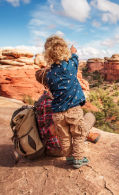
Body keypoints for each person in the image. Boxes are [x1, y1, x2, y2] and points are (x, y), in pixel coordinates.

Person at [45, 35, 95, 168]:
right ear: (64, 52)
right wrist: (73, 51)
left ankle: (69, 158)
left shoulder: (49, 74)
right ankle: (78, 159)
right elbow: (75, 59)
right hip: (73, 109)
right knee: (78, 134)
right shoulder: (70, 67)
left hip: (58, 112)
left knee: (64, 136)